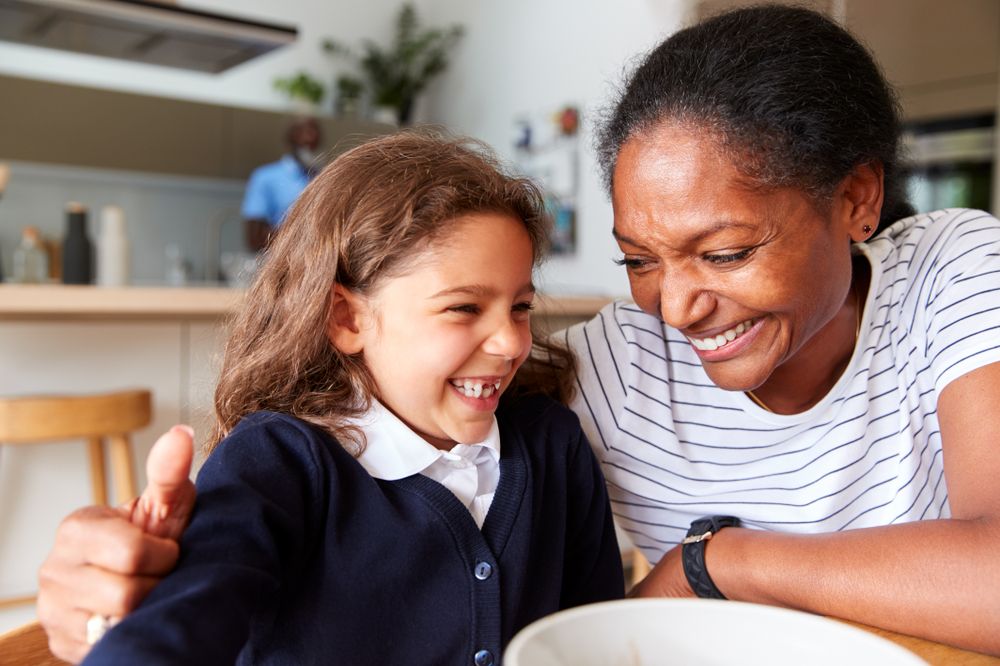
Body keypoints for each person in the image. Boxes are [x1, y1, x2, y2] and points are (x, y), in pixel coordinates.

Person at [37, 4, 1000, 659]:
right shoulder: (603, 376)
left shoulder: (954, 270)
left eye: (727, 250)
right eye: (638, 260)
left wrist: (721, 560)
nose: (674, 308)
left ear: (859, 199)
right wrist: (111, 572)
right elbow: (386, 424)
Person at [61, 132, 624, 664]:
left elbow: (593, 638)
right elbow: (183, 620)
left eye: (520, 307)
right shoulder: (278, 462)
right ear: (346, 318)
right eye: (464, 308)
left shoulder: (552, 445)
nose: (511, 342)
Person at [242, 116, 321, 252]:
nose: (310, 138)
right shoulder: (265, 177)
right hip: (281, 262)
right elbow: (254, 237)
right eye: (303, 132)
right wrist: (302, 240)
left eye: (314, 132)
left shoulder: (324, 177)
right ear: (290, 138)